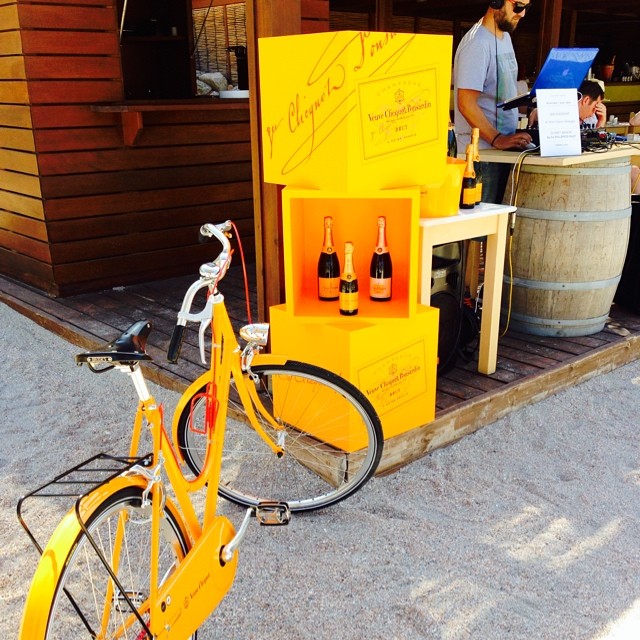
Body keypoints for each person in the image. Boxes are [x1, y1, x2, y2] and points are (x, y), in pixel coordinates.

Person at [453, 0, 533, 204]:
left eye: (527, 7)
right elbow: (466, 103)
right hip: (481, 157)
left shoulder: (505, 38)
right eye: (518, 6)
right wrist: (497, 139)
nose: (522, 14)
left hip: (500, 152)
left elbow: (503, 94)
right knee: (480, 222)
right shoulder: (477, 44)